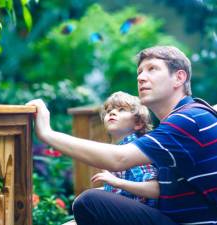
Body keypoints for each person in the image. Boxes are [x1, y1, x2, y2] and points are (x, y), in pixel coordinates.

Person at [27, 45, 217, 225]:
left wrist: (47, 133)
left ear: (179, 78)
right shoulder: (185, 118)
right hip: (174, 218)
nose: (141, 77)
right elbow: (161, 191)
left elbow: (118, 158)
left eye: (152, 69)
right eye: (140, 72)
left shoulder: (187, 119)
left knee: (89, 201)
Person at [64, 91, 159, 225]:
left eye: (121, 110)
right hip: (126, 214)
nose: (112, 113)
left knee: (85, 203)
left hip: (141, 217)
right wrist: (105, 190)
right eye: (109, 110)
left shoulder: (135, 150)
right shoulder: (117, 149)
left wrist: (115, 182)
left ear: (138, 123)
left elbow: (152, 190)